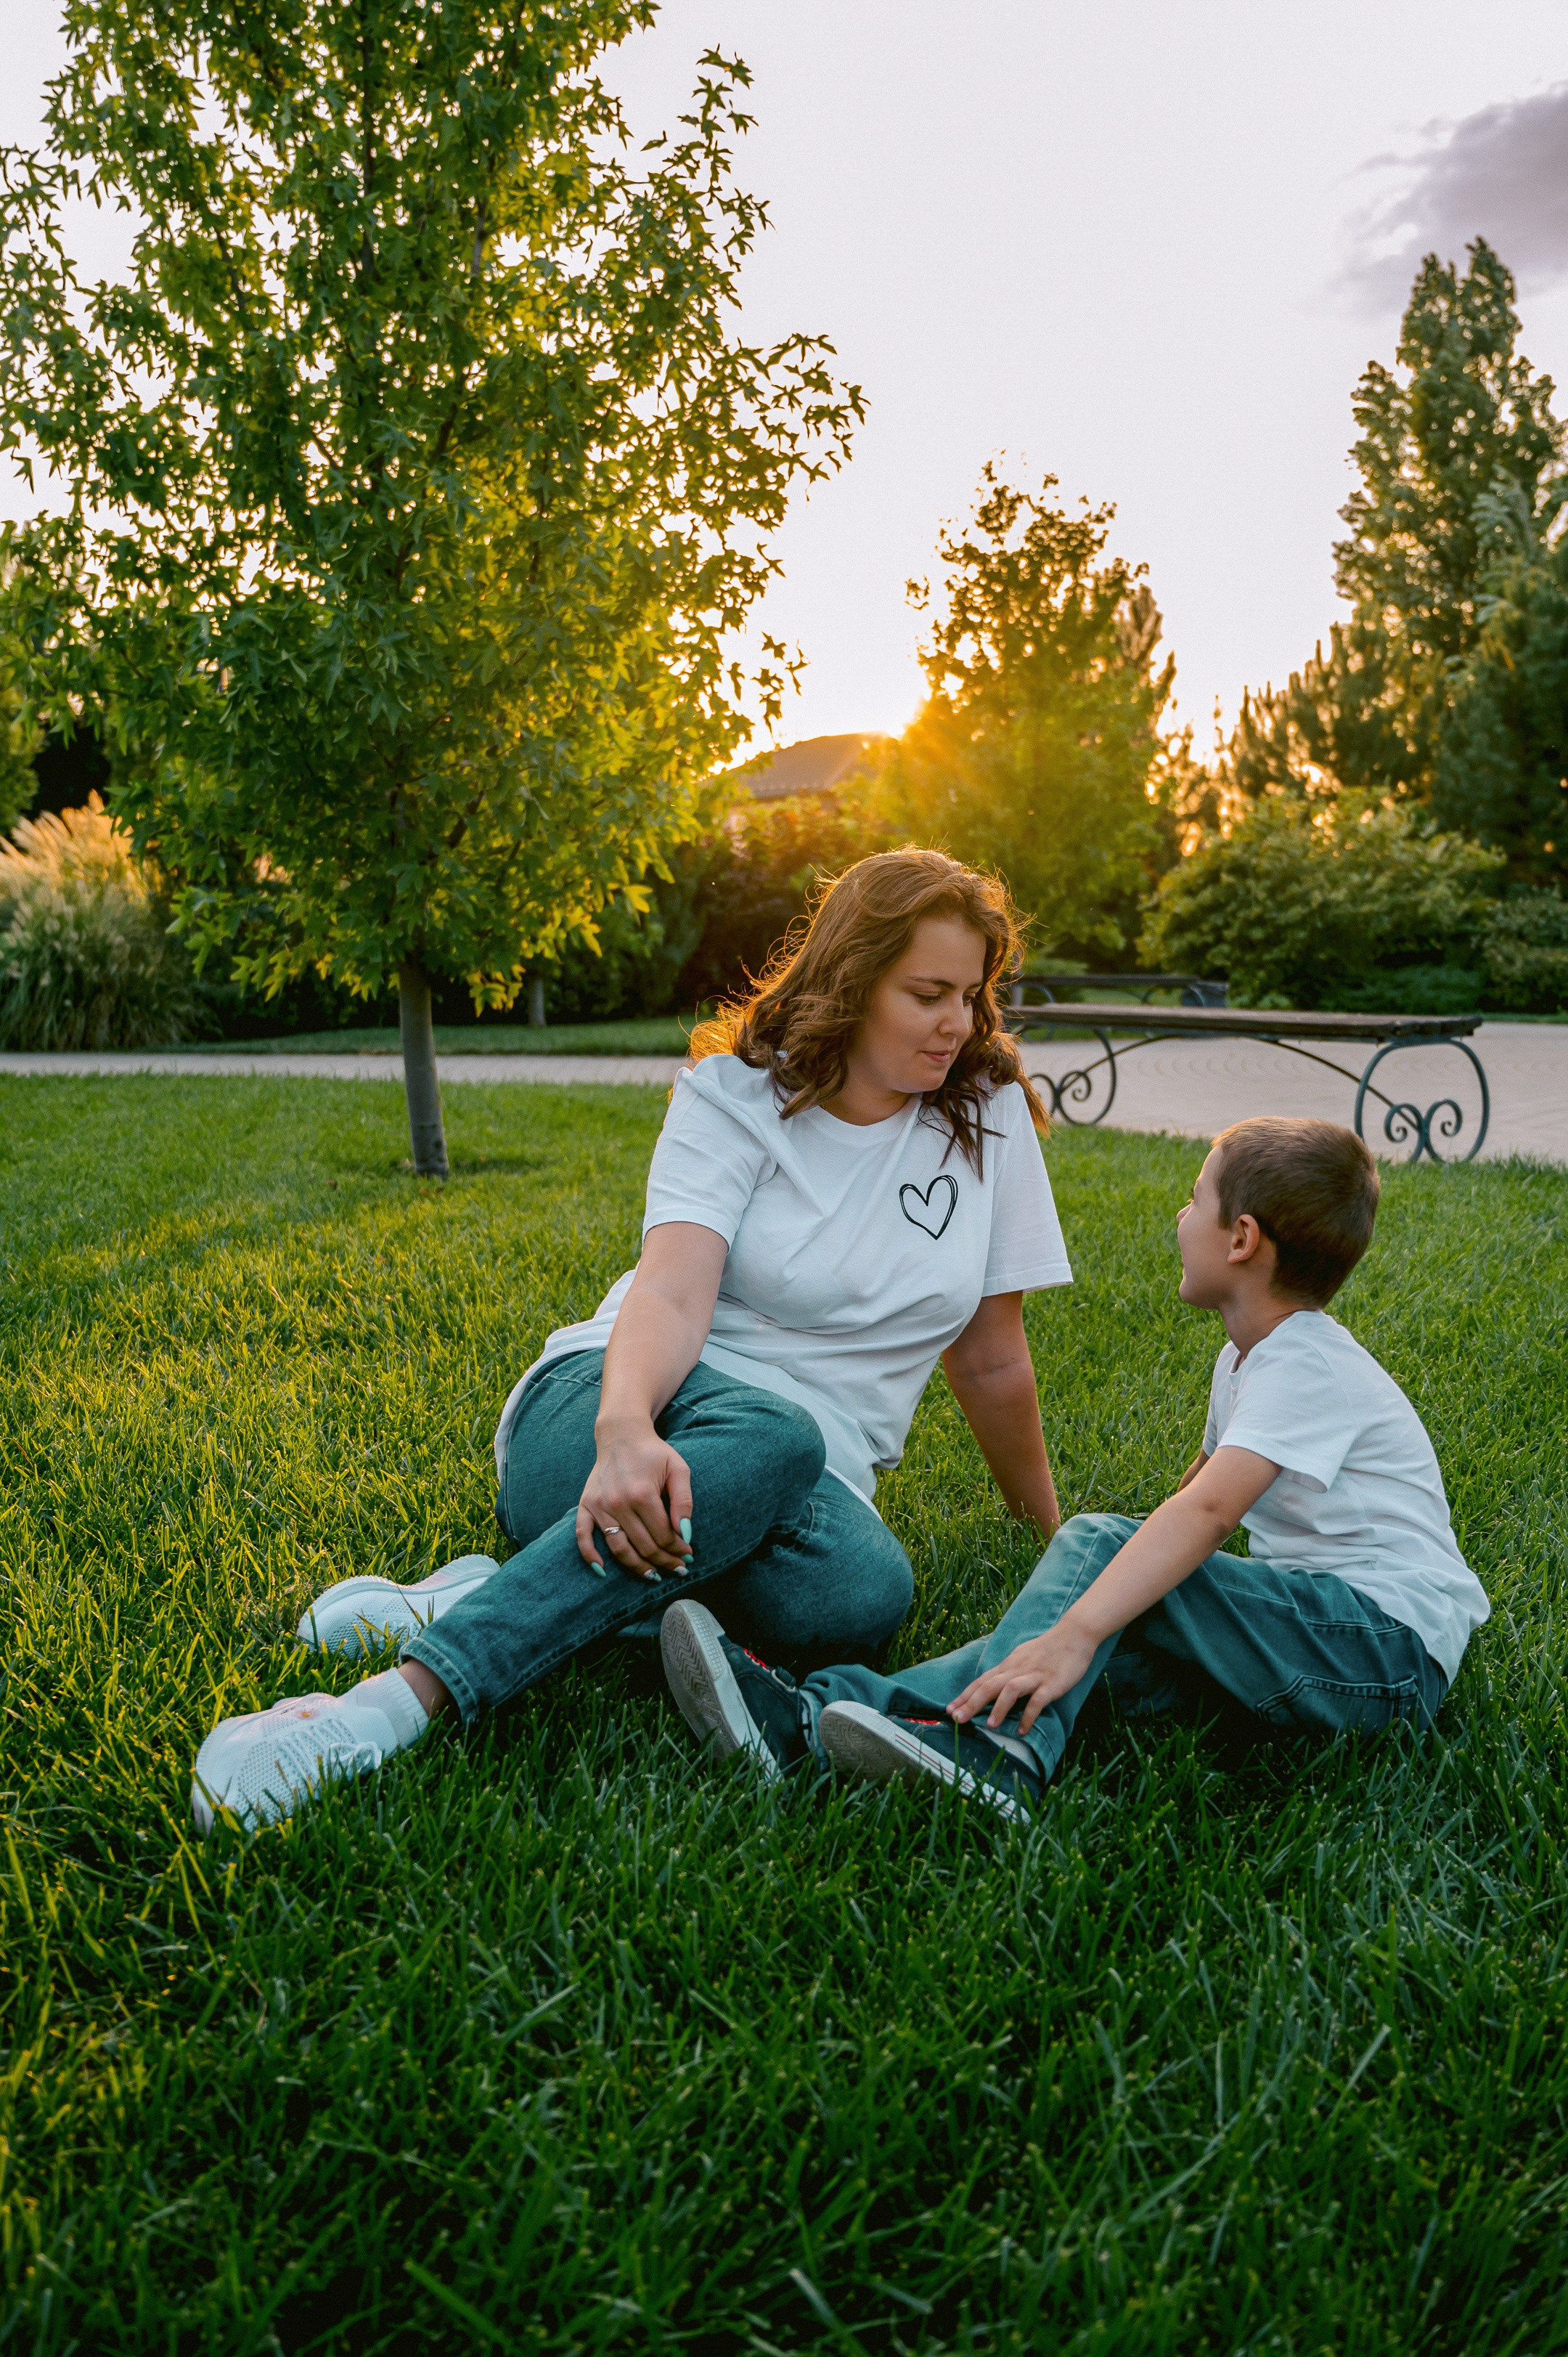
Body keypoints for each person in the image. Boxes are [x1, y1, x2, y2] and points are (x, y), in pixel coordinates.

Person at [190, 850, 1074, 1831]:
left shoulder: (987, 1119)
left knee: (863, 1593)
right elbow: (673, 1289)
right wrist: (623, 1429)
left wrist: (1049, 1535)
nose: (958, 1021)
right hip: (613, 1412)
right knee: (780, 1434)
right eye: (927, 993)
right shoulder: (734, 1096)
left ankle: (497, 1593)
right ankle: (397, 1702)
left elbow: (991, 1355)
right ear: (854, 979)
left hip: (799, 1493)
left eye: (972, 993)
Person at [659, 1116, 1490, 1820]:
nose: (1179, 1213)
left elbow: (1206, 1517)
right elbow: (1193, 1496)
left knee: (1096, 1563)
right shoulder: (1247, 1362)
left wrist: (1079, 1624)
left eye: (1195, 1198)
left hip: (1382, 1654)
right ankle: (810, 1717)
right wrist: (1086, 1631)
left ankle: (999, 1761)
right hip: (1320, 1649)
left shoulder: (1305, 1363)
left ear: (1241, 1240)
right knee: (1095, 1658)